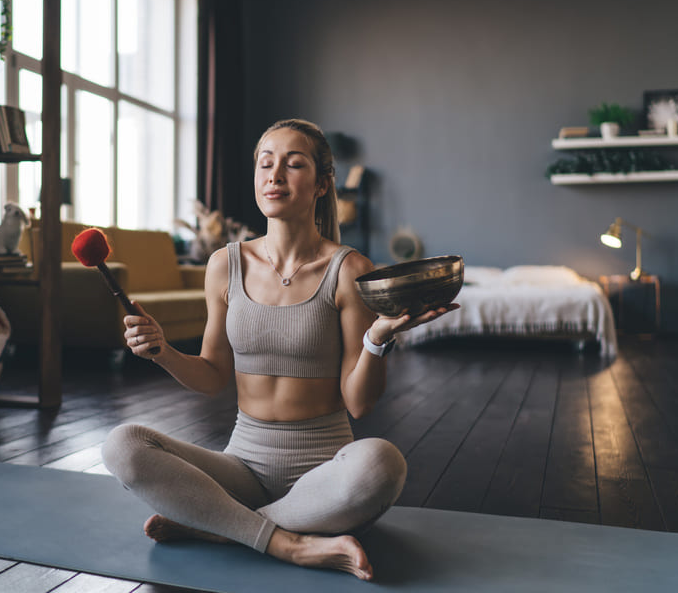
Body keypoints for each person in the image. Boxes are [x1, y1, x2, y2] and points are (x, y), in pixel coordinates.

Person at [102, 118, 458, 581]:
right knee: (122, 445)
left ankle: (219, 525)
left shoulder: (349, 270)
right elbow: (211, 376)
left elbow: (360, 402)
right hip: (242, 468)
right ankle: (289, 542)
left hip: (326, 477)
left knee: (381, 465)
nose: (275, 175)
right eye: (266, 163)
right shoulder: (224, 265)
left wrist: (379, 337)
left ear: (322, 183)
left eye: (293, 164)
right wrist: (162, 351)